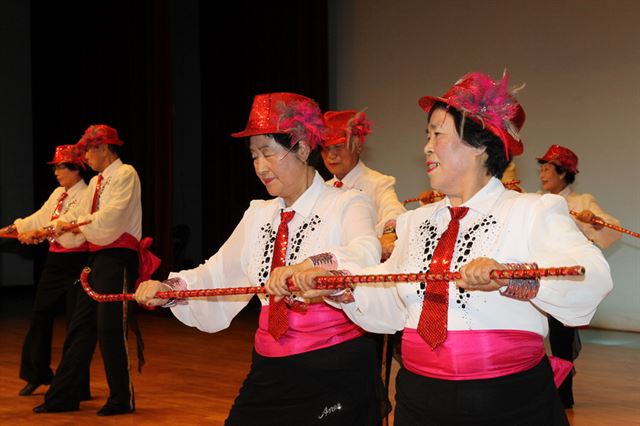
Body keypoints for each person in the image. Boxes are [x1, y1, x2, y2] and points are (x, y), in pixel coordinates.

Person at [291, 71, 613, 425]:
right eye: (426, 135)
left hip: (508, 400)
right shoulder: (415, 222)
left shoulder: (531, 211)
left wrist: (513, 277)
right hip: (420, 400)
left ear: (479, 145)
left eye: (438, 134)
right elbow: (391, 296)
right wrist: (341, 285)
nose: (426, 146)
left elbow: (591, 275)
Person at [135, 92, 385, 425]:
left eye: (268, 152)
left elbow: (364, 251)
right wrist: (169, 289)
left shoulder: (346, 204)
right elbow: (218, 273)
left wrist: (313, 267)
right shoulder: (259, 215)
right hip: (271, 366)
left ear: (303, 148)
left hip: (334, 367)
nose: (260, 167)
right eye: (254, 156)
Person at [34, 124, 158, 416]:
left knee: (110, 329)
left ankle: (121, 399)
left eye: (88, 150)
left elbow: (110, 219)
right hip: (98, 259)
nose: (85, 157)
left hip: (117, 257)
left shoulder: (125, 174)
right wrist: (43, 230)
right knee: (80, 326)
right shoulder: (97, 182)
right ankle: (64, 396)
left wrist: (72, 225)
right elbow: (76, 219)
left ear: (103, 148)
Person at [537, 144, 621, 408]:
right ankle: (533, 393)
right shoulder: (535, 201)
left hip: (566, 281)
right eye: (542, 167)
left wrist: (594, 220)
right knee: (531, 337)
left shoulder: (582, 202)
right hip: (537, 277)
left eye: (548, 167)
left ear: (563, 173)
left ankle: (562, 398)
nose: (542, 172)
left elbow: (611, 227)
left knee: (561, 340)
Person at [3, 145, 90, 397]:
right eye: (55, 167)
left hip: (78, 261)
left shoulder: (86, 194)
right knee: (40, 314)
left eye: (61, 167)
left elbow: (61, 224)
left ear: (76, 168)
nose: (56, 172)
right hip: (55, 262)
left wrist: (37, 234)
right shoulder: (57, 194)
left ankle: (76, 385)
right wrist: (10, 230)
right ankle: (37, 373)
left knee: (76, 324)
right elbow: (38, 218)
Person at [322, 109, 406, 261]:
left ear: (358, 146)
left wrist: (388, 234)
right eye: (325, 148)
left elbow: (393, 211)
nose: (331, 155)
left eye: (338, 147)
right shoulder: (322, 189)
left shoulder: (377, 182)